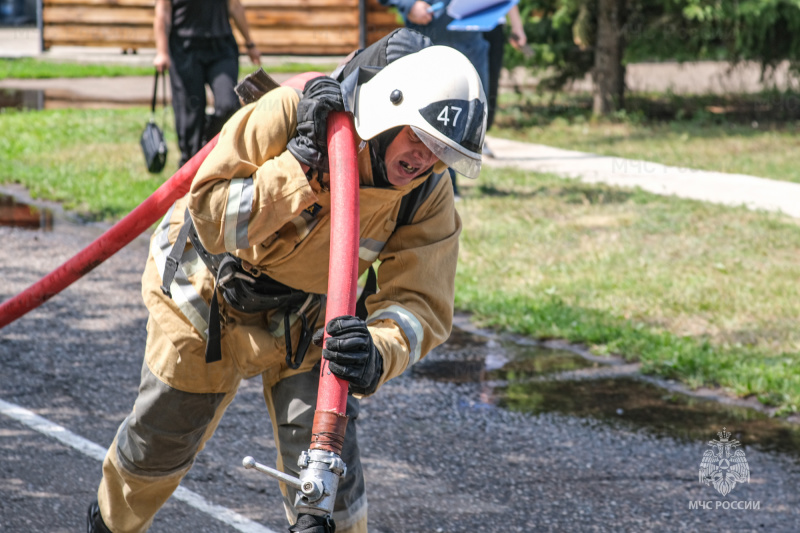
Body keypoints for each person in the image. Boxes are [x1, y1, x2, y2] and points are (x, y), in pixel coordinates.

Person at [87, 28, 487, 533]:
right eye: (419, 136)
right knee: (155, 451)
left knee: (328, 485)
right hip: (207, 296)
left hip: (311, 317)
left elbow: (421, 303)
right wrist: (297, 166)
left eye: (440, 148)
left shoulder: (425, 193)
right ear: (390, 108)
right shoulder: (291, 113)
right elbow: (210, 218)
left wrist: (377, 352)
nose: (425, 158)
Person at [379, 0, 490, 197]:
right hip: (431, 37)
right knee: (434, 123)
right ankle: (434, 190)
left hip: (471, 40)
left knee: (466, 121)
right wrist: (407, 4)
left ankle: (445, 189)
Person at [153, 0, 262, 168]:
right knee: (190, 113)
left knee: (228, 105)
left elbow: (234, 6)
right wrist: (162, 52)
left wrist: (250, 43)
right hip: (184, 48)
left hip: (221, 47)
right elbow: (163, 10)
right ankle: (190, 166)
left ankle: (214, 151)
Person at [482, 5, 526, 158]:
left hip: (494, 24)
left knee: (490, 83)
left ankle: (479, 138)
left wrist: (517, 26)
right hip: (463, 24)